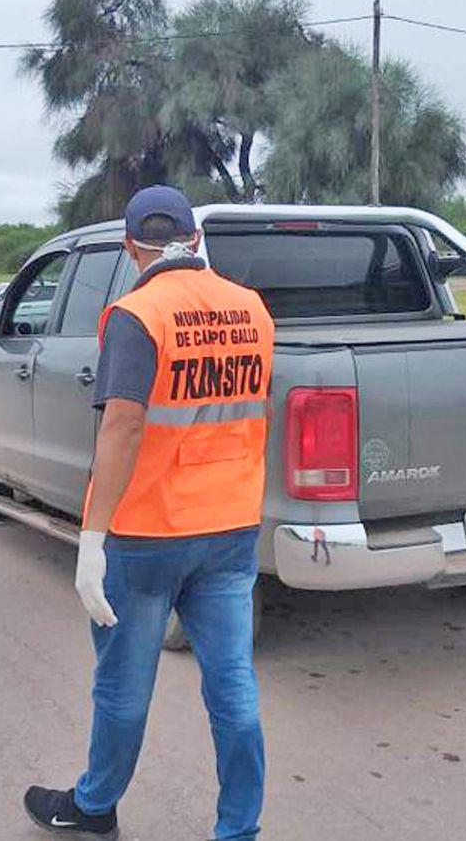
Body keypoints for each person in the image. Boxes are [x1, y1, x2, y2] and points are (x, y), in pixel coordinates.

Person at [24, 187, 276, 841]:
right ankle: (238, 830)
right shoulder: (252, 309)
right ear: (194, 240)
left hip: (147, 534)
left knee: (123, 689)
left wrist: (91, 539)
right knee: (234, 693)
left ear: (131, 246)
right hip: (229, 531)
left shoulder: (137, 314)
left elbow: (124, 426)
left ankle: (95, 806)